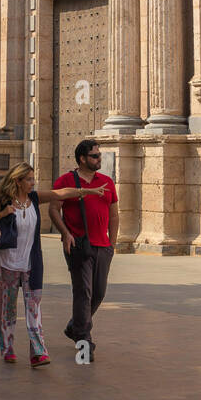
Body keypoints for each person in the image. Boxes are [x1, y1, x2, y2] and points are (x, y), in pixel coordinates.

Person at [0, 162, 108, 368]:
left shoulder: (34, 198)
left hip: (31, 262)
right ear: (17, 181)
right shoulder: (2, 200)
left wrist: (86, 191)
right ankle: (7, 348)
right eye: (28, 179)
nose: (32, 182)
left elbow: (60, 193)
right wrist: (2, 214)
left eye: (33, 179)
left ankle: (38, 351)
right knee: (8, 309)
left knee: (34, 308)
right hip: (7, 262)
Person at [49, 139, 118, 362]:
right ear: (82, 159)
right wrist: (65, 233)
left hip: (102, 246)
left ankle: (74, 326)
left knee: (98, 292)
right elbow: (53, 209)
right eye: (95, 156)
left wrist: (112, 244)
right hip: (78, 245)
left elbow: (114, 214)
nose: (100, 159)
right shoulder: (67, 181)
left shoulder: (107, 182)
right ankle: (84, 340)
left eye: (100, 155)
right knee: (83, 292)